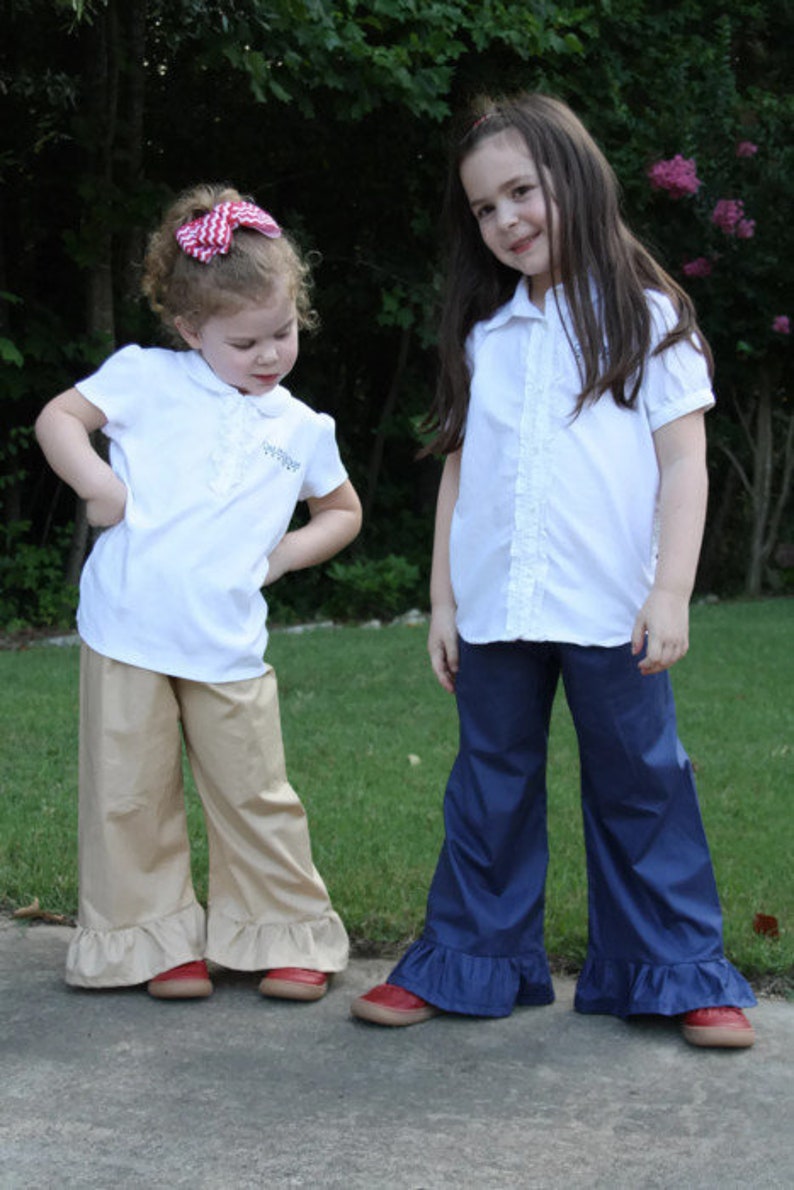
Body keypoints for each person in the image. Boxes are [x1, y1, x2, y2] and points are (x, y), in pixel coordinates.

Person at [351, 93, 756, 1047]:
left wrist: (669, 592)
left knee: (642, 785)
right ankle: (467, 960)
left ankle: (679, 972)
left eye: (521, 192)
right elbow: (460, 472)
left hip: (613, 609)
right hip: (495, 609)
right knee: (488, 785)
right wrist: (444, 599)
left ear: (575, 178)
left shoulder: (649, 319)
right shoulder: (487, 336)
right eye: (485, 209)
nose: (505, 221)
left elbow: (683, 464)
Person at [36, 184, 361, 1002]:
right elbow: (57, 420)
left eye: (283, 332)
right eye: (246, 340)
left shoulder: (301, 428)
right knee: (130, 795)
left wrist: (285, 554)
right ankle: (151, 945)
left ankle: (283, 934)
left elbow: (343, 511)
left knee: (256, 793)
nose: (270, 354)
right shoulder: (145, 378)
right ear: (190, 329)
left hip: (226, 641)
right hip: (127, 629)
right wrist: (100, 488)